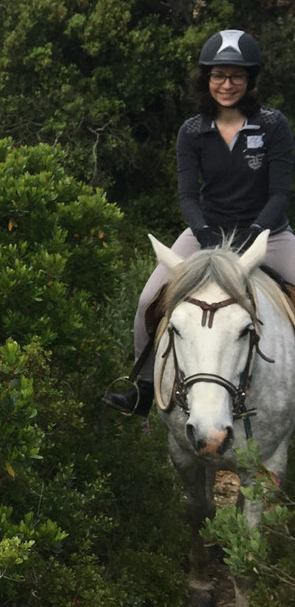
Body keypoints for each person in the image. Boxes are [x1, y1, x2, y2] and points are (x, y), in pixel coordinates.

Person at [104, 29, 295, 415]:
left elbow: (279, 194)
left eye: (237, 76)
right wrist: (205, 233)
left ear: (250, 79)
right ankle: (141, 387)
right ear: (206, 79)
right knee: (147, 299)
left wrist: (258, 232)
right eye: (219, 76)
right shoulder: (192, 131)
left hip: (267, 235)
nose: (227, 85)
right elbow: (188, 196)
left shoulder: (273, 125)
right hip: (207, 232)